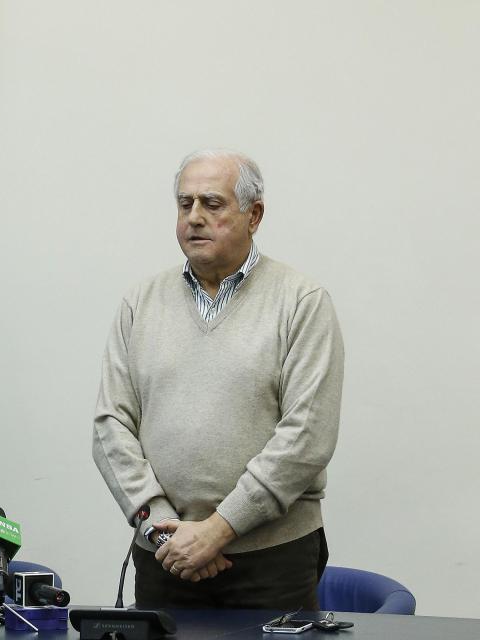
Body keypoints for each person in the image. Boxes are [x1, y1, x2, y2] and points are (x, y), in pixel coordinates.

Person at [92, 150, 344, 610]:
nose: (195, 218)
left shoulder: (301, 302)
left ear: (255, 215)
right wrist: (161, 526)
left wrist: (219, 528)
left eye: (212, 203)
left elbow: (307, 435)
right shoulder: (140, 303)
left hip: (270, 564)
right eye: (185, 204)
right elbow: (111, 427)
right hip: (165, 556)